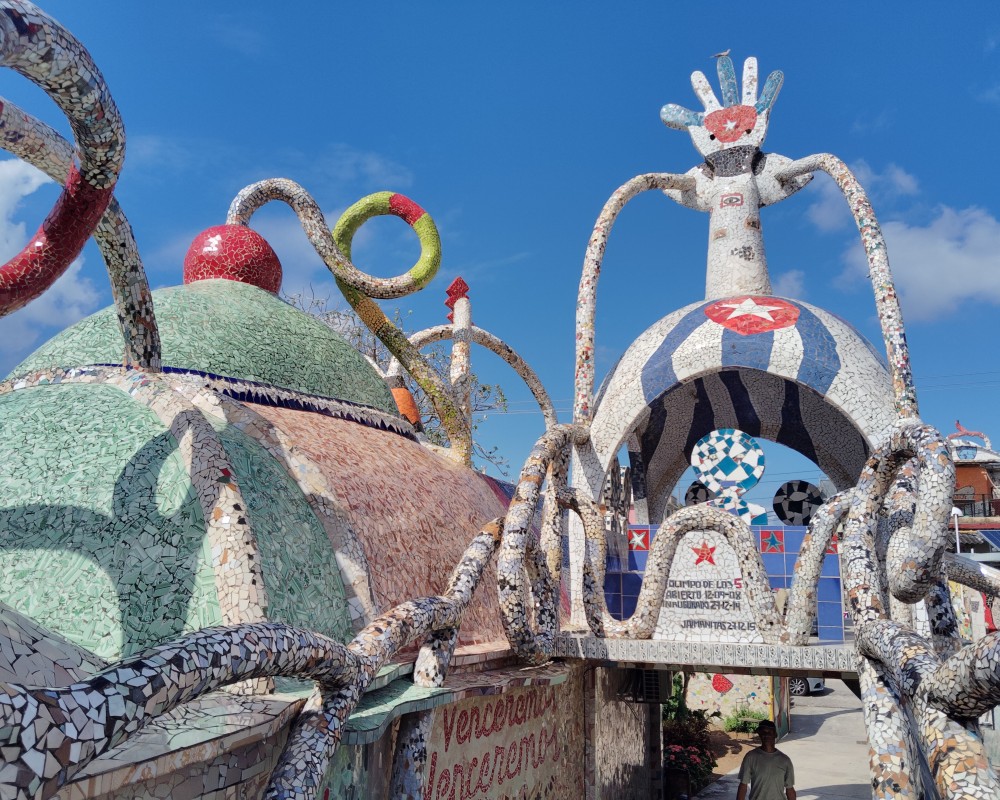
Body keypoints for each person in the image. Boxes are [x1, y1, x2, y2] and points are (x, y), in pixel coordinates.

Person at [735, 720, 795, 800]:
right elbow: (743, 786)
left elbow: (790, 789)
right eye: (763, 732)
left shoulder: (785, 760)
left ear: (775, 734)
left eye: (769, 732)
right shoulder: (750, 757)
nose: (766, 735)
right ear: (760, 735)